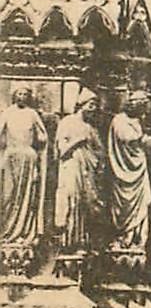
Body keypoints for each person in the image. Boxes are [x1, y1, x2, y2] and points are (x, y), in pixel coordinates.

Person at [54, 88, 103, 252]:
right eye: (91, 104)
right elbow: (61, 150)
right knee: (72, 200)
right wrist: (77, 141)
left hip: (87, 172)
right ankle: (69, 241)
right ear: (81, 104)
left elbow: (100, 151)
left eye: (95, 106)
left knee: (85, 203)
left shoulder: (90, 128)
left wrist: (95, 161)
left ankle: (82, 242)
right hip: (72, 167)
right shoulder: (67, 122)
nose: (93, 109)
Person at [0, 85, 47, 244]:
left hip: (28, 158)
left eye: (25, 94)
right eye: (19, 93)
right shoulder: (8, 113)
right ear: (14, 95)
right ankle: (6, 230)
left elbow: (42, 138)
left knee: (27, 195)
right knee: (8, 194)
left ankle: (24, 231)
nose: (22, 96)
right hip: (11, 158)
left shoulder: (32, 114)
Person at [108, 89, 151, 254]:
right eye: (141, 106)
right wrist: (142, 139)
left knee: (143, 202)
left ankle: (137, 239)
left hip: (139, 169)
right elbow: (125, 137)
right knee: (123, 205)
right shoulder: (119, 120)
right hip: (123, 169)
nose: (143, 111)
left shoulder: (139, 121)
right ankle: (123, 238)